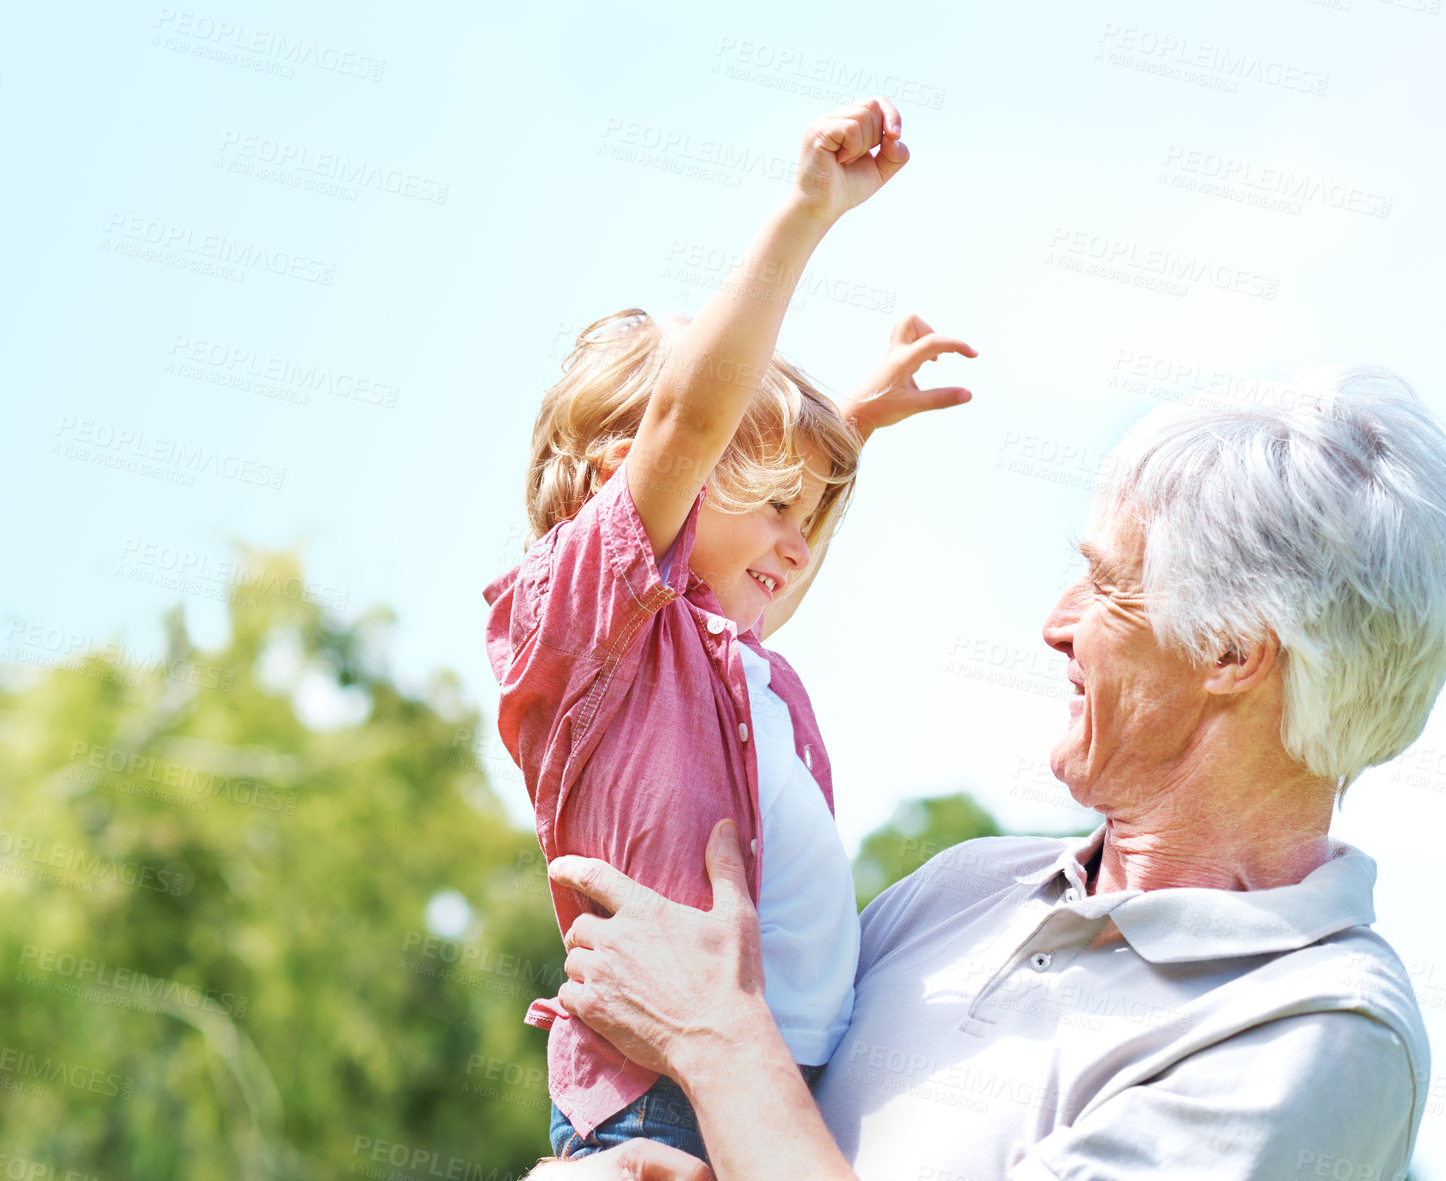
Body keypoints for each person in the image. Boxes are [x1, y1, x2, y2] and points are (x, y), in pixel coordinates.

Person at [535, 366, 1446, 1180]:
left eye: (1108, 584)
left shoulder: (1318, 1031)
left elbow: (736, 1064)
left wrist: (714, 1037)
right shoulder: (964, 889)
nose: (1056, 622)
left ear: (1231, 650)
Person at [481, 97, 975, 1161]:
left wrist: (851, 432)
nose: (798, 541)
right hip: (660, 1088)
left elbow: (765, 567)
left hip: (774, 1076)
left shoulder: (728, 658)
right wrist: (806, 213)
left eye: (814, 513)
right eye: (774, 503)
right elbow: (688, 421)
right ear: (634, 475)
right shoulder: (586, 629)